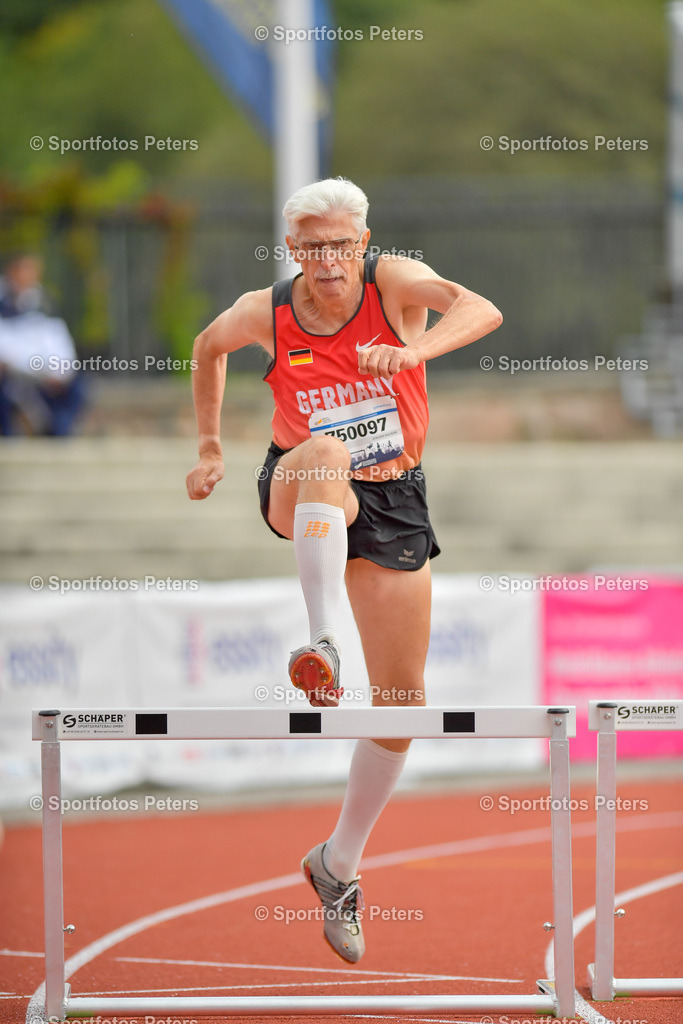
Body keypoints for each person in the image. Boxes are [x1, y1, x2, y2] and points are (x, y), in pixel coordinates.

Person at [186, 177, 502, 962]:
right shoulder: (269, 309)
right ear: (291, 249)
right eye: (312, 246)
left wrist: (411, 349)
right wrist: (210, 447)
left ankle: (338, 864)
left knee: (401, 705)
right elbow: (206, 347)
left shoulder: (392, 281)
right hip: (301, 482)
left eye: (340, 245)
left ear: (362, 242)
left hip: (392, 492)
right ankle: (320, 643)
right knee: (323, 452)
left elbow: (481, 309)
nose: (328, 261)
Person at [0, 253, 86, 437]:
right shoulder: (3, 303)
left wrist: (58, 372)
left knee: (79, 387)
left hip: (43, 376)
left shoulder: (44, 303)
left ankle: (58, 432)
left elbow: (59, 344)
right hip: (13, 376)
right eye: (23, 271)